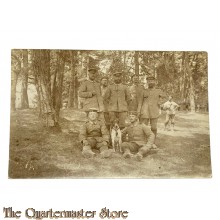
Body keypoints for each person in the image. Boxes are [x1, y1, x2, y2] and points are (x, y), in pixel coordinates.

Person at [137, 76, 165, 148]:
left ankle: (152, 143)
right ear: (147, 82)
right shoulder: (144, 91)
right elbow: (140, 102)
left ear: (155, 82)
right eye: (149, 81)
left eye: (152, 81)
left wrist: (160, 102)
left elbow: (164, 97)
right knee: (144, 127)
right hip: (144, 112)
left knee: (153, 128)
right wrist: (138, 111)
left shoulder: (158, 91)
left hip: (154, 112)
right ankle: (143, 142)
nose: (150, 82)